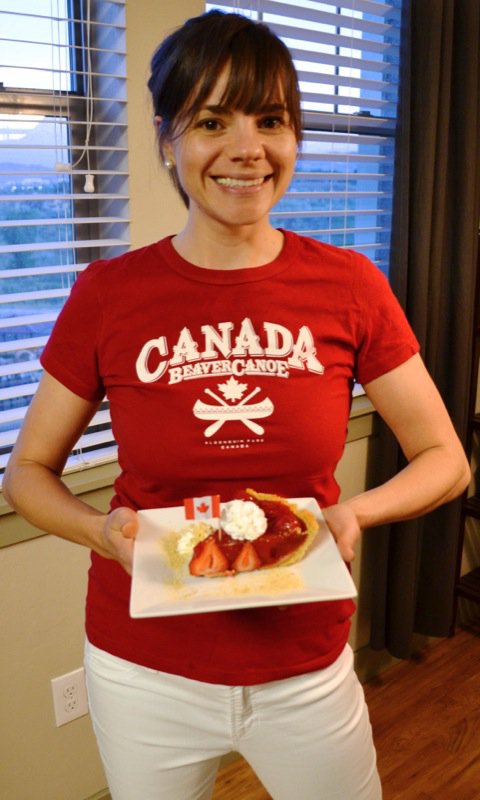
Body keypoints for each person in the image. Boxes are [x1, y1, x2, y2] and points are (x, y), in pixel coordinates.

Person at [3, 10, 470, 800]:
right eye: (212, 120)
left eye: (271, 119)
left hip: (306, 663)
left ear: (294, 137)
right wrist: (98, 531)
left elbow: (445, 460)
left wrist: (355, 515)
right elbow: (28, 474)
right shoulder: (107, 297)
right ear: (167, 138)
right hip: (145, 666)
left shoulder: (349, 284)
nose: (247, 147)